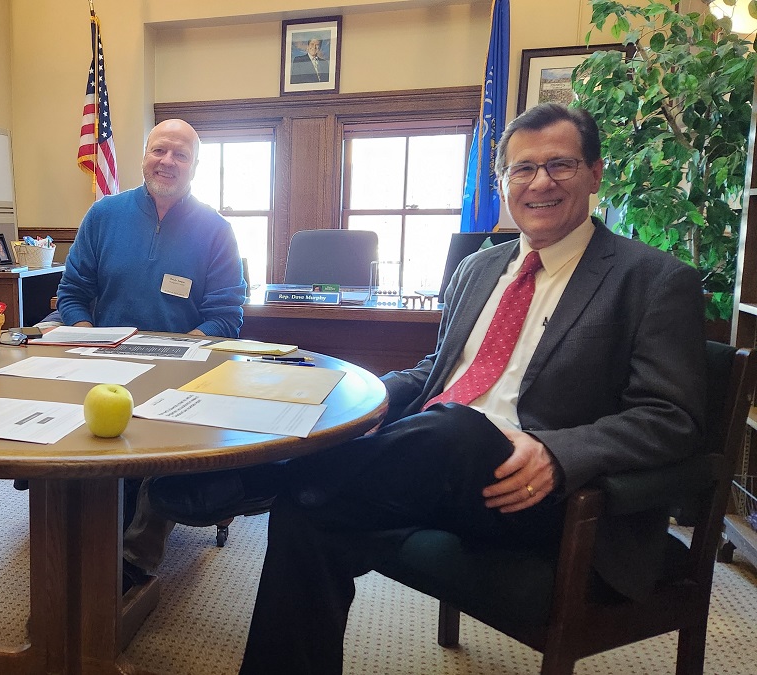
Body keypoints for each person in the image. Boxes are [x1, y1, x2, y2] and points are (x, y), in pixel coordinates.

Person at [237, 103, 708, 674]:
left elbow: (672, 417)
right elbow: (440, 369)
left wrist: (562, 454)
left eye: (559, 165)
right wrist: (354, 395)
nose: (539, 182)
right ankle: (281, 480)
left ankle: (249, 475)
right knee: (307, 512)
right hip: (434, 465)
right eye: (522, 169)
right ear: (504, 182)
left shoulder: (653, 279)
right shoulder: (478, 269)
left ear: (595, 174)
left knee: (458, 426)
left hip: (536, 491)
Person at [57, 118, 246, 587]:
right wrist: (86, 337)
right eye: (159, 150)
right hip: (104, 360)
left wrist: (175, 355)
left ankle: (133, 559)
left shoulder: (216, 230)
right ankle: (73, 533)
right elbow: (72, 291)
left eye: (180, 155)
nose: (167, 162)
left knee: (163, 457)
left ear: (195, 166)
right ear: (144, 154)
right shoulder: (103, 216)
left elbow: (226, 316)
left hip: (181, 368)